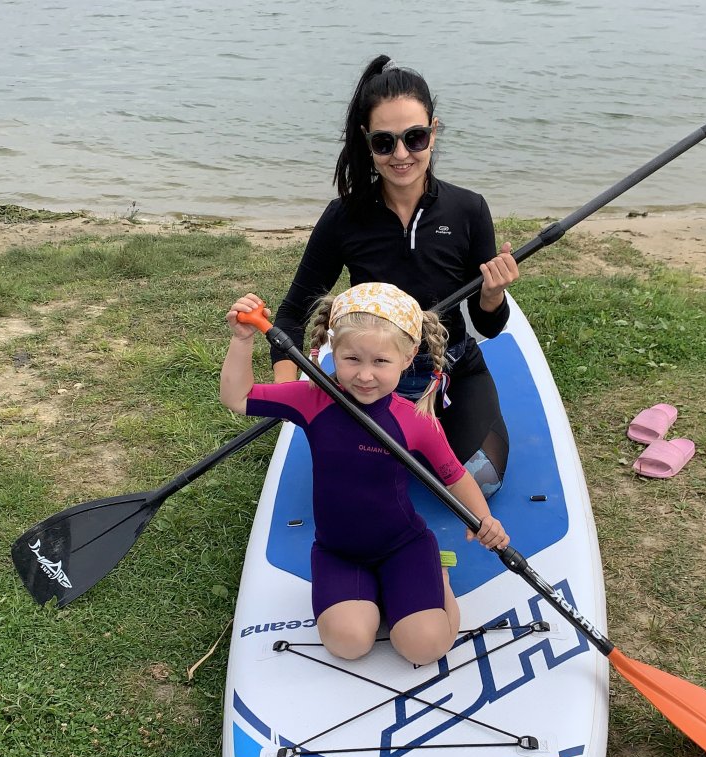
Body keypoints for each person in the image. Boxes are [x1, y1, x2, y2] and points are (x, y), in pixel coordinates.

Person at [222, 282, 509, 667]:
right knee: (349, 642)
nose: (365, 375)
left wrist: (483, 519)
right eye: (352, 359)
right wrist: (242, 340)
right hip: (339, 552)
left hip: (403, 546)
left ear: (408, 358)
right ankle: (381, 597)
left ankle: (437, 579)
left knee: (424, 647)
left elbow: (454, 476)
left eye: (380, 362)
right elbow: (237, 397)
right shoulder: (312, 399)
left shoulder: (416, 420)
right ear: (333, 350)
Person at [270, 54, 519, 497]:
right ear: (367, 142)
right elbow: (292, 314)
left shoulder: (468, 209)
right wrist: (287, 394)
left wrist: (492, 296)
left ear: (433, 132)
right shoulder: (344, 217)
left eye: (414, 137)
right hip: (371, 378)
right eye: (384, 142)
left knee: (484, 481)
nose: (401, 155)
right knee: (360, 482)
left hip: (450, 369)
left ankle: (429, 430)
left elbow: (489, 325)